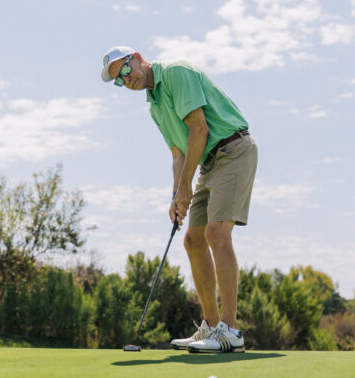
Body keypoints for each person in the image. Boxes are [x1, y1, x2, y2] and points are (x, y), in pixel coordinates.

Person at [101, 46, 258, 353]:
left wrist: (186, 185)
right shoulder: (154, 106)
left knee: (216, 232)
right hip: (208, 163)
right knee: (192, 240)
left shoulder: (175, 73)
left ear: (138, 57)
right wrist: (176, 195)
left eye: (124, 69)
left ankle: (232, 332)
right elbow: (178, 153)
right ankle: (211, 328)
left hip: (234, 149)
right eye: (119, 80)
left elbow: (199, 129)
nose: (126, 79)